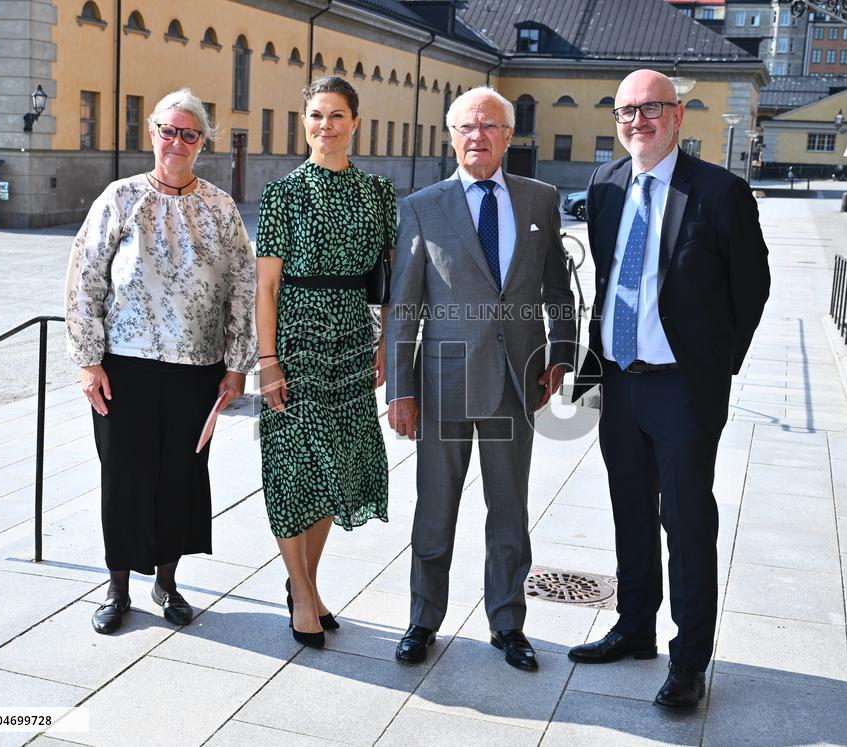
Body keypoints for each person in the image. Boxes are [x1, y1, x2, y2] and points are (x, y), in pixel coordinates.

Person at [568, 69, 770, 709]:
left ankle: (689, 661)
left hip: (683, 388)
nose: (637, 121)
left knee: (685, 521)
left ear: (678, 117)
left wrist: (715, 368)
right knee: (629, 509)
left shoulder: (720, 192)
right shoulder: (606, 185)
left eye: (652, 109)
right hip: (621, 382)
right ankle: (634, 627)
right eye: (626, 111)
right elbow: (604, 281)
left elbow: (751, 289)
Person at [386, 86, 575, 671]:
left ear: (508, 135)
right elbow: (404, 305)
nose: (478, 136)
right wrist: (401, 387)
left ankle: (508, 624)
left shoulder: (540, 200)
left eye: (490, 126)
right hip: (443, 386)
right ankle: (423, 620)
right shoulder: (422, 206)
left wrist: (562, 355)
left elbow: (556, 290)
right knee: (435, 508)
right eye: (467, 127)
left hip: (516, 383)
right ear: (451, 136)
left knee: (510, 511)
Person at [65, 89, 257, 635]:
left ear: (202, 143)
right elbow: (85, 276)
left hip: (198, 369)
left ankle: (167, 583)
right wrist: (88, 359)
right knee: (124, 475)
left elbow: (244, 285)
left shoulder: (220, 208)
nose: (176, 141)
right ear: (152, 133)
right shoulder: (119, 199)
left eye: (188, 134)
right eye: (168, 130)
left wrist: (238, 363)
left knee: (181, 475)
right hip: (124, 368)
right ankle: (117, 586)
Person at [255, 76, 393, 650]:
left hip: (352, 343)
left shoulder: (379, 193)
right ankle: (304, 596)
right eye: (315, 115)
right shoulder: (281, 194)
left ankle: (303, 585)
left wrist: (384, 342)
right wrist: (267, 360)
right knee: (291, 470)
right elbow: (264, 288)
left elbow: (389, 280)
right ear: (303, 121)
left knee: (334, 470)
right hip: (295, 341)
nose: (325, 125)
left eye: (336, 115)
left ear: (355, 123)